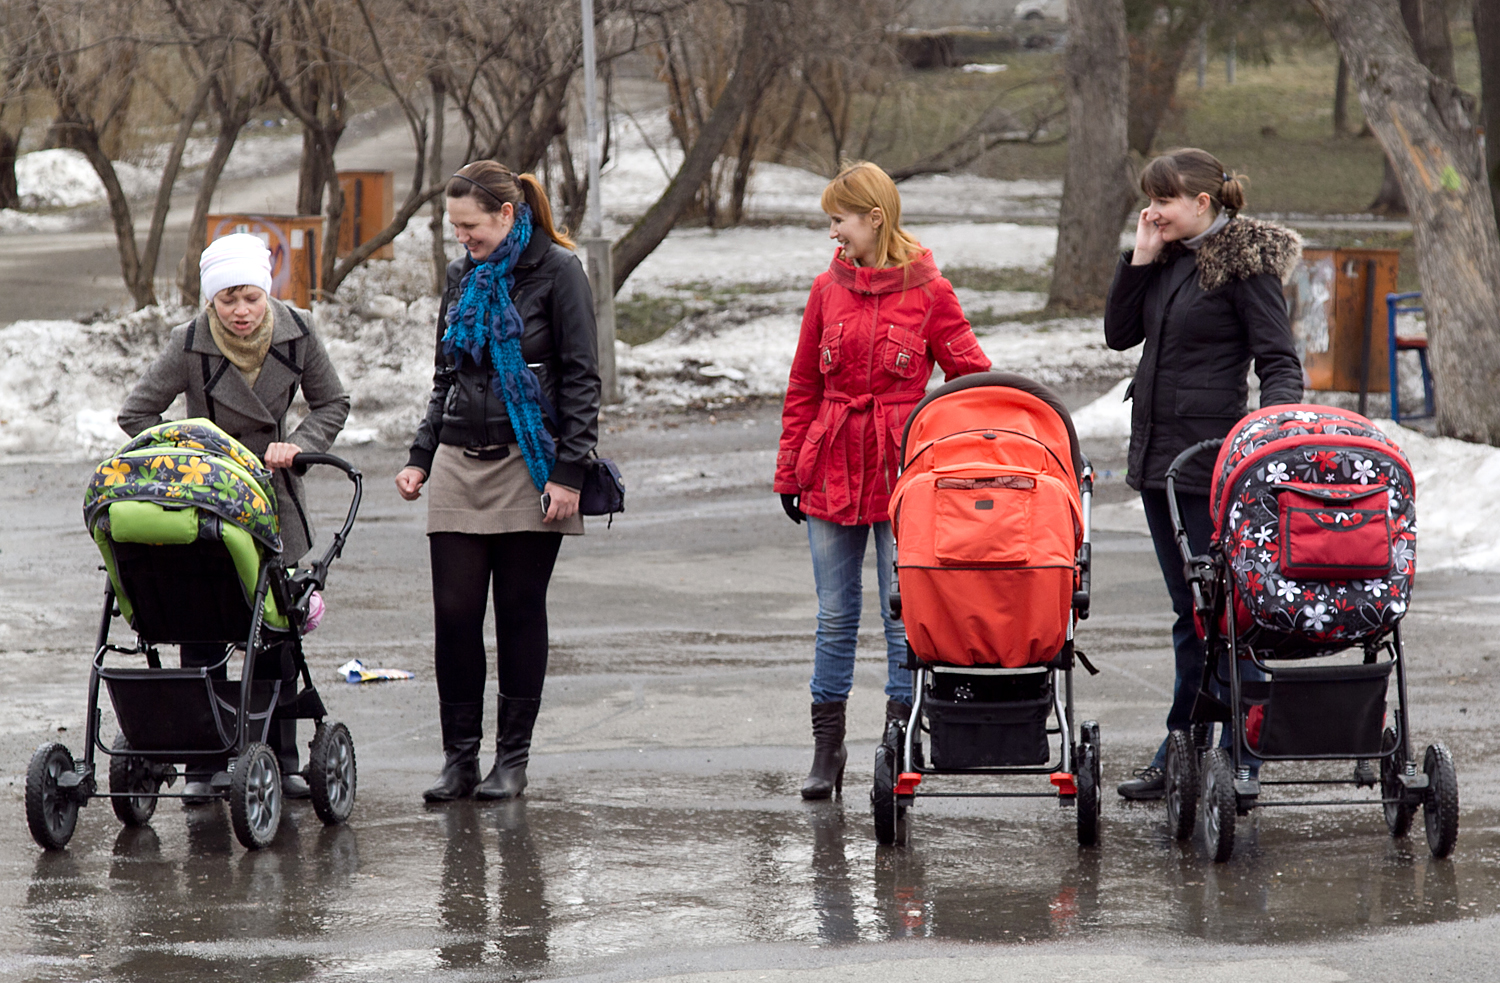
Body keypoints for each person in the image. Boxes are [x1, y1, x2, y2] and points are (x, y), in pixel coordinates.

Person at [774, 161, 992, 800]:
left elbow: (973, 378)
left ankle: (898, 739)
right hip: (831, 464)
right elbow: (803, 386)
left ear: (875, 218)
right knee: (836, 616)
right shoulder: (825, 289)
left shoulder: (930, 291)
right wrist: (790, 470)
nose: (832, 233)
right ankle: (827, 749)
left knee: (904, 616)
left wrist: (953, 459)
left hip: (907, 477)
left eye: (838, 220)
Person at [395, 160, 600, 804]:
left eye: (471, 225)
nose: (463, 238)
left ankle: (511, 762)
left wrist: (570, 472)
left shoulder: (559, 272)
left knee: (516, 612)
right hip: (460, 456)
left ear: (507, 214)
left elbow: (581, 380)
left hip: (530, 462)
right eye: (454, 227)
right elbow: (445, 376)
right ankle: (460, 760)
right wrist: (420, 455)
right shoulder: (462, 276)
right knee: (454, 615)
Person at [119, 232, 350, 800]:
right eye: (228, 300)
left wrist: (297, 446)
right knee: (201, 628)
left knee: (275, 632)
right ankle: (204, 766)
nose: (241, 312)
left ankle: (282, 759)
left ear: (266, 292)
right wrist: (188, 457)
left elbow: (332, 403)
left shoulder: (297, 332)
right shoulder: (190, 342)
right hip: (209, 504)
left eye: (251, 298)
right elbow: (137, 413)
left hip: (274, 500)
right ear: (210, 301)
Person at [1103, 148, 1303, 800]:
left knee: (1219, 617)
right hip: (1159, 463)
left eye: (1163, 200)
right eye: (1149, 199)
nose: (1153, 210)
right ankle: (1188, 753)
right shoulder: (1167, 257)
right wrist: (1139, 255)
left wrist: (1264, 442)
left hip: (1212, 465)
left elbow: (1281, 364)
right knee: (1190, 614)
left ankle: (1226, 751)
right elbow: (1117, 333)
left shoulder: (1244, 266)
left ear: (1203, 204)